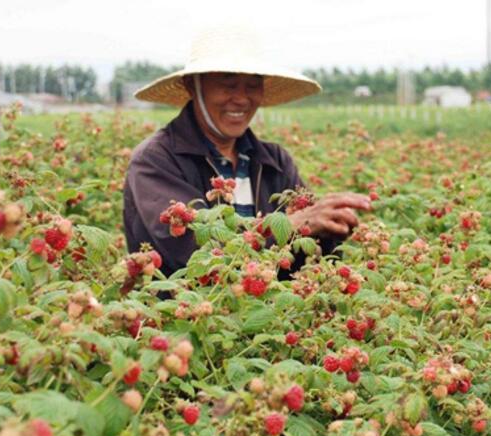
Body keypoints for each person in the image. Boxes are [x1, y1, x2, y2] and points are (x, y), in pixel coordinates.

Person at [123, 27, 372, 276]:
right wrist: (290, 226)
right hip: (187, 314)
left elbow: (307, 260)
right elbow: (199, 256)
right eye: (228, 84)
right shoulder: (156, 161)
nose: (241, 99)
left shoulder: (275, 162)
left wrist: (331, 227)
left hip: (269, 313)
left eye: (253, 85)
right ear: (193, 85)